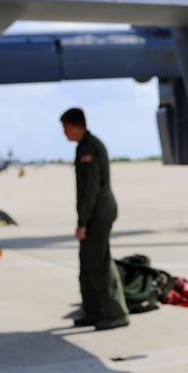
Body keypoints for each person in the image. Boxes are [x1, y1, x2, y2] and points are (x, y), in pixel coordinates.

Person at [60, 107, 129, 331]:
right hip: (95, 213)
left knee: (98, 263)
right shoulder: (85, 146)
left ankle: (117, 313)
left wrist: (82, 222)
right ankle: (94, 311)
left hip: (97, 214)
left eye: (64, 128)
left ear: (72, 126)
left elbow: (90, 189)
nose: (64, 133)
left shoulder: (89, 147)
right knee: (87, 262)